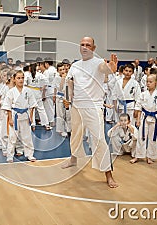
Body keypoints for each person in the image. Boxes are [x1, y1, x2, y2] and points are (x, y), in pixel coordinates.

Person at [61, 37, 118, 188]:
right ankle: (73, 159)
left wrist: (111, 68)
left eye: (88, 45)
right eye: (82, 44)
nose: (85, 47)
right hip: (77, 106)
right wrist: (67, 98)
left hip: (93, 107)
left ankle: (108, 173)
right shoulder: (75, 66)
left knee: (99, 139)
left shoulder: (98, 62)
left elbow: (105, 69)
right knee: (75, 135)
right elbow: (69, 82)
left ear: (93, 48)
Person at [130, 73, 157, 164]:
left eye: (151, 82)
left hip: (155, 118)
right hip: (144, 117)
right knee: (141, 137)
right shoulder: (143, 94)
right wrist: (138, 120)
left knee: (153, 138)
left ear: (156, 83)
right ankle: (138, 156)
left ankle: (150, 156)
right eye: (147, 82)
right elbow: (139, 108)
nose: (148, 83)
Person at [2, 71, 37, 162]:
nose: (21, 80)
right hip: (15, 116)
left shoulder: (28, 91)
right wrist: (10, 119)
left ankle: (29, 154)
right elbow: (8, 107)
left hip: (25, 115)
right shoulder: (11, 92)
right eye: (18, 78)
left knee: (27, 137)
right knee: (12, 137)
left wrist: (31, 117)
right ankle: (10, 155)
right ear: (14, 79)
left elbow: (32, 105)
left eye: (22, 78)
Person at [53, 63, 71, 137]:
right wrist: (63, 79)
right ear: (58, 71)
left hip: (67, 97)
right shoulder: (57, 78)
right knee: (61, 115)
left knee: (68, 114)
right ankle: (61, 130)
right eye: (60, 70)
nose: (62, 71)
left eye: (63, 69)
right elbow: (59, 88)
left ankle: (69, 128)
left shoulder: (68, 77)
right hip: (59, 97)